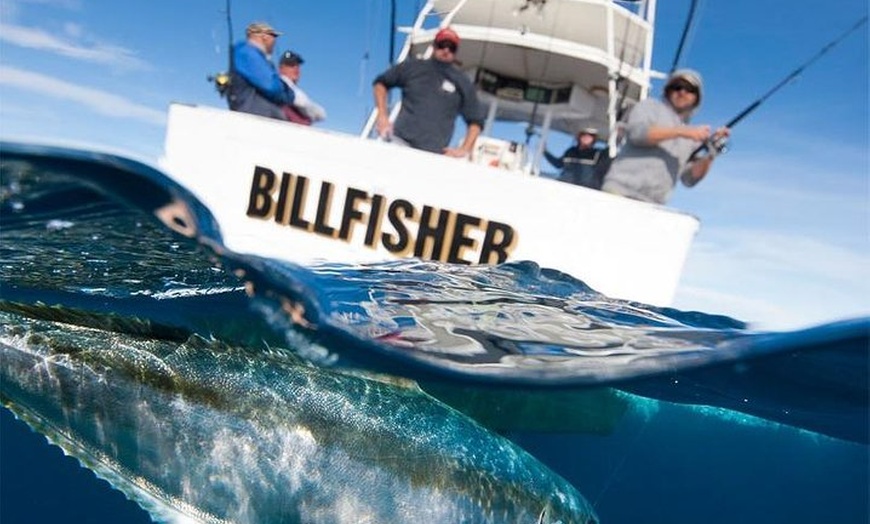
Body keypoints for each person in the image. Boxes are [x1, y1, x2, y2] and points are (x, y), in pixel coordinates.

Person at [600, 69, 730, 205]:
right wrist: (683, 132)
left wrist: (711, 153)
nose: (682, 92)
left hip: (654, 205)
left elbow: (690, 178)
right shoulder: (649, 106)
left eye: (689, 89)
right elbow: (638, 134)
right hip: (619, 193)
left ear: (696, 98)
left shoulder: (691, 137)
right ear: (668, 90)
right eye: (677, 87)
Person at [372, 27, 486, 157]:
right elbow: (380, 83)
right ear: (434, 45)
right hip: (399, 142)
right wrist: (382, 116)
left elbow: (476, 120)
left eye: (451, 47)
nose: (446, 50)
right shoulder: (412, 67)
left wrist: (464, 149)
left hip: (434, 154)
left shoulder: (463, 82)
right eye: (442, 45)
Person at [227, 22, 295, 120]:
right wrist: (288, 93)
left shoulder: (252, 55)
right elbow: (272, 86)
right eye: (274, 36)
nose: (275, 41)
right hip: (253, 117)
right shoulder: (247, 53)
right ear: (264, 36)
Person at [543, 127, 609, 189]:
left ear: (593, 139)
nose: (586, 137)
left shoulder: (598, 154)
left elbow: (605, 168)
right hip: (564, 186)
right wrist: (545, 152)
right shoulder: (570, 151)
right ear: (579, 137)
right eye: (584, 135)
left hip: (585, 190)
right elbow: (558, 164)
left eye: (590, 136)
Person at [278, 50, 327, 125]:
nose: (296, 69)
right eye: (291, 65)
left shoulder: (295, 90)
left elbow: (322, 114)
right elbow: (302, 103)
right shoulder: (281, 84)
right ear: (281, 68)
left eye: (297, 66)